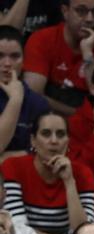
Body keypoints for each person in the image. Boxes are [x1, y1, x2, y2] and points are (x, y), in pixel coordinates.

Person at [1, 110, 94, 234]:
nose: (54, 141)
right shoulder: (13, 168)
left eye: (61, 134)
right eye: (46, 134)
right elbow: (18, 229)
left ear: (68, 141)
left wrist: (69, 182)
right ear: (33, 140)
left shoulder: (83, 174)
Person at [22, 0, 94, 115]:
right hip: (49, 122)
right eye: (81, 11)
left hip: (93, 126)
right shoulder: (42, 40)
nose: (89, 19)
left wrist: (88, 53)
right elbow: (33, 96)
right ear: (65, 11)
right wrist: (77, 116)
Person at [0, 23, 49, 160]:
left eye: (15, 56)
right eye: (0, 56)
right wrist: (15, 100)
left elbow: (47, 151)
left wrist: (8, 158)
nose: (8, 63)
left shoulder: (39, 104)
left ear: (24, 60)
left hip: (24, 176)